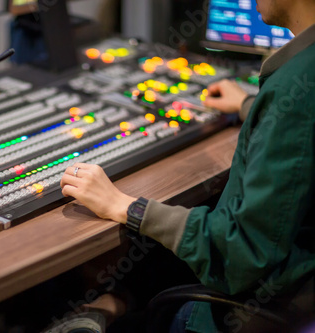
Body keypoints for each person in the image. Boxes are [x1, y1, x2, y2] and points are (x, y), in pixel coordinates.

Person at [60, 0, 315, 331]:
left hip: (258, 308)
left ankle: (113, 311)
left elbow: (240, 254)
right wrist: (254, 106)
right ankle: (116, 301)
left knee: (154, 240)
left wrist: (125, 207)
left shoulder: (293, 89)